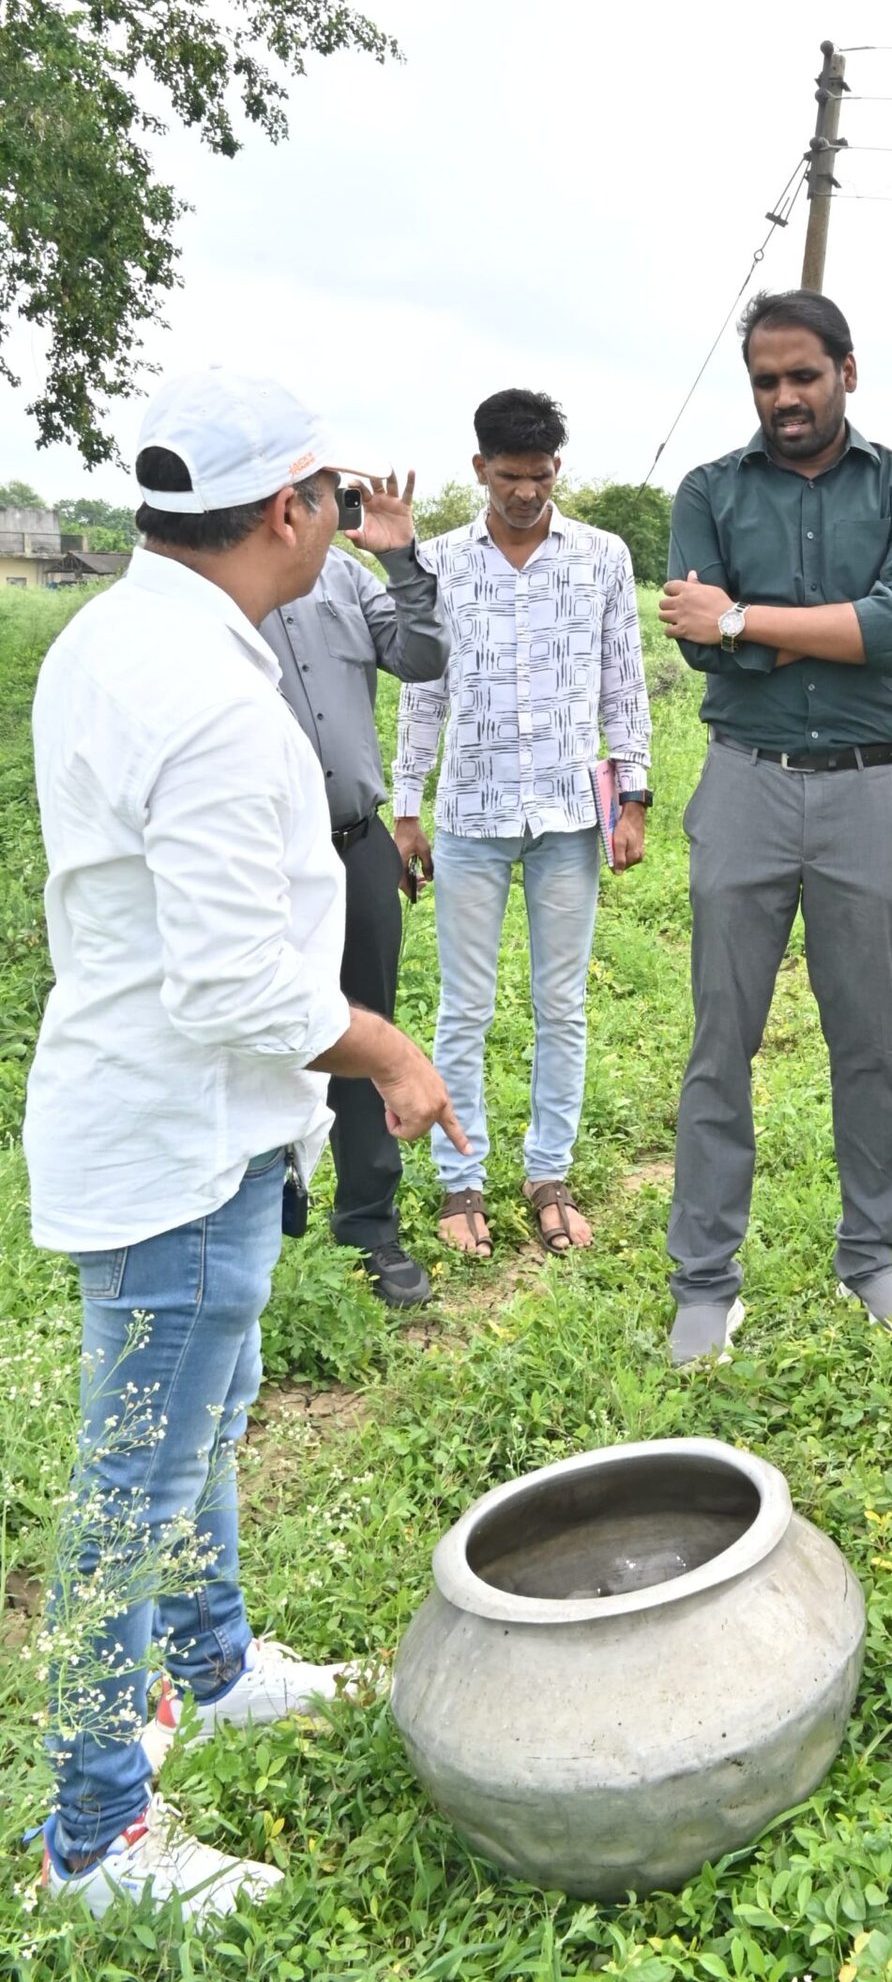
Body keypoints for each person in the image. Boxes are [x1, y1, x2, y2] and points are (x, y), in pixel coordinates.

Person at [25, 372, 465, 1920]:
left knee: (205, 1430)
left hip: (183, 1124)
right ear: (290, 513)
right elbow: (229, 982)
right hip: (175, 1141)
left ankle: (210, 1667)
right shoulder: (206, 692)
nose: (350, 522)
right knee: (129, 1489)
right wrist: (390, 1049)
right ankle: (94, 1834)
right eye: (338, 497)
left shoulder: (123, 633)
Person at [658, 288, 892, 1367]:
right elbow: (697, 645)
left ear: (846, 372)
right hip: (743, 784)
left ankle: (872, 1256)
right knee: (718, 1040)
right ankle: (704, 1278)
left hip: (869, 794)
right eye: (766, 381)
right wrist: (818, 631)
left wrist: (747, 616)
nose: (784, 397)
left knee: (868, 1039)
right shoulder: (710, 491)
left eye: (802, 376)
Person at [392, 389, 652, 1261]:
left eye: (540, 477)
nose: (526, 494)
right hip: (470, 811)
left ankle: (549, 1174)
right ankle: (460, 1178)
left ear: (556, 471)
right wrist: (406, 804)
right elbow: (421, 695)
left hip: (570, 816)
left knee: (561, 1004)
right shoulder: (437, 563)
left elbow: (624, 683)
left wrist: (635, 799)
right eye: (510, 477)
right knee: (464, 1006)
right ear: (479, 470)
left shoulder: (602, 557)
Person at [261, 467, 450, 1307]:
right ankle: (255, 1221)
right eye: (307, 493)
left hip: (356, 843)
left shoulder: (347, 575)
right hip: (262, 857)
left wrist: (401, 557)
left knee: (368, 1025)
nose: (317, 510)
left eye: (324, 495)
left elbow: (423, 655)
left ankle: (369, 1220)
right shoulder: (222, 598)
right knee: (263, 1028)